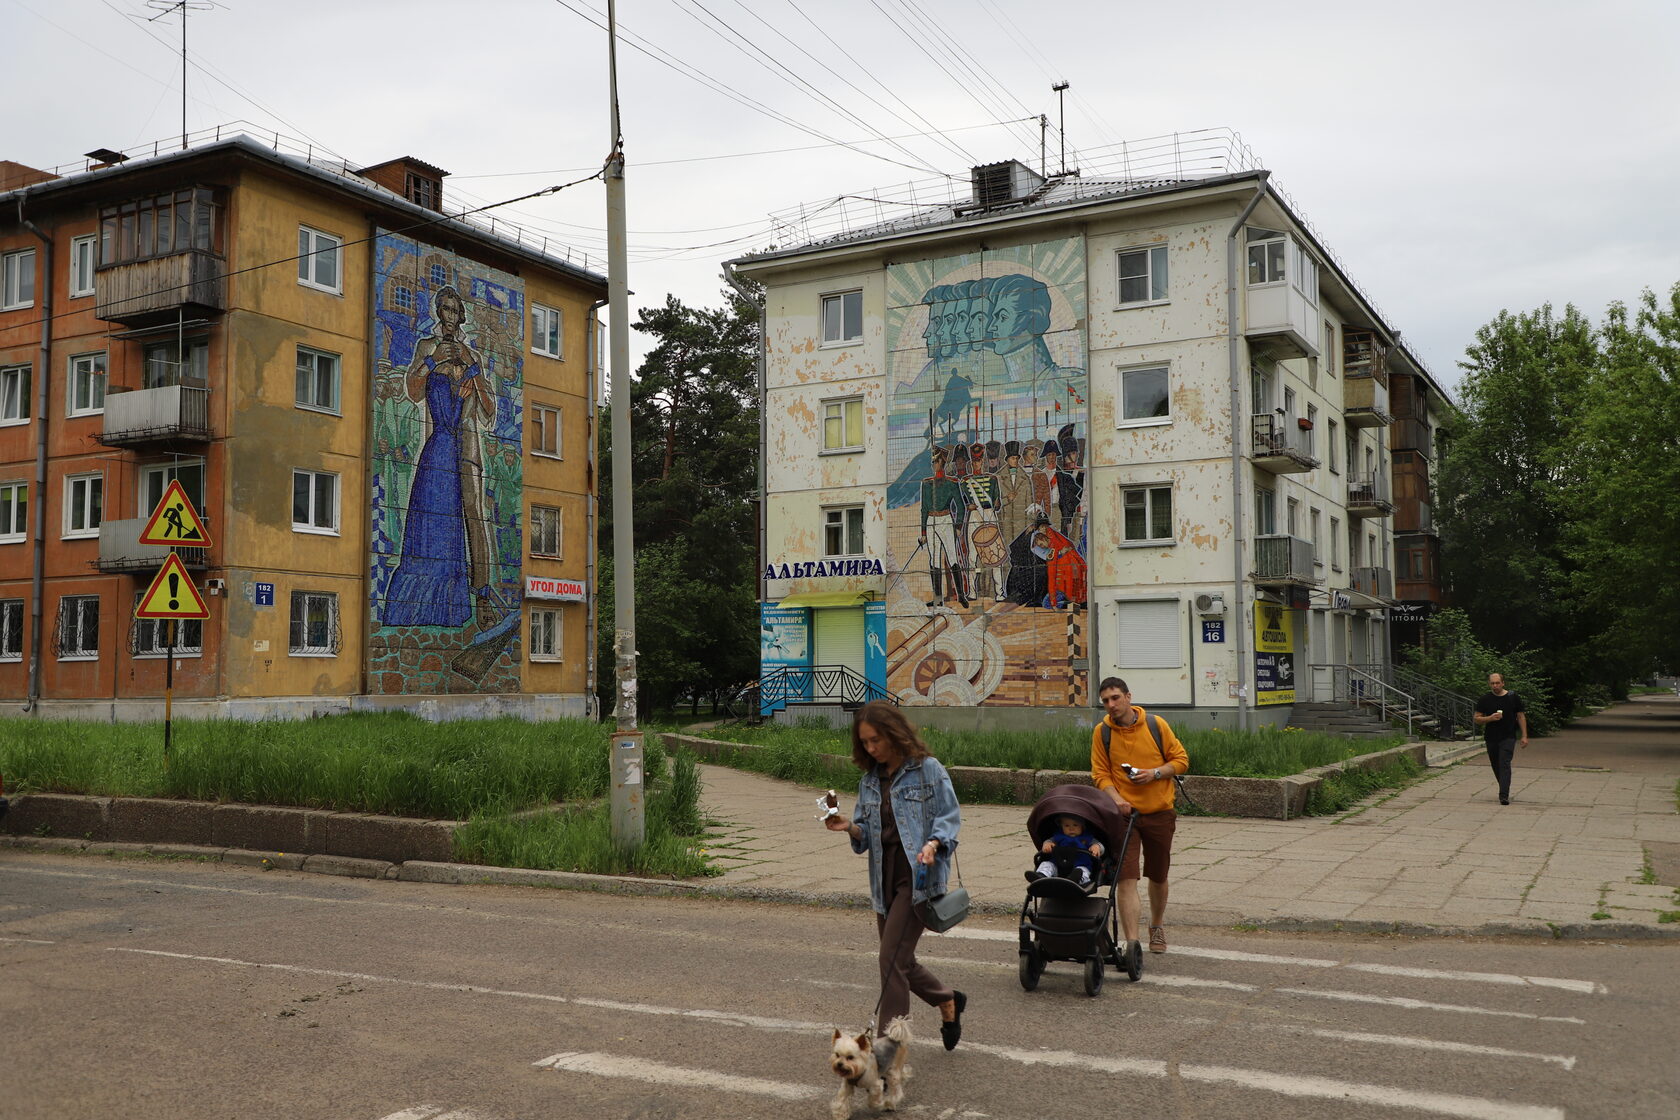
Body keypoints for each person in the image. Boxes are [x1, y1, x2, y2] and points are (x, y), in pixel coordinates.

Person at [825, 700, 968, 1050]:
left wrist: (934, 844)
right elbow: (866, 836)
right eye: (865, 743)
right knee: (900, 961)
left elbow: (949, 816)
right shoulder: (869, 781)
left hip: (917, 878)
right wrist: (849, 827)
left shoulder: (928, 770)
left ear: (894, 733)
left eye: (876, 740)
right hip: (883, 879)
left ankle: (888, 1047)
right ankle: (947, 999)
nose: (871, 748)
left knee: (890, 960)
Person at [1090, 676, 1188, 955]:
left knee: (1158, 875)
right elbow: (1100, 774)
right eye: (1106, 701)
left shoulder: (1156, 725)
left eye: (1115, 698)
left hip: (1159, 812)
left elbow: (1181, 761)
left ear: (1128, 697)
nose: (1111, 705)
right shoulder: (1102, 732)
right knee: (1126, 877)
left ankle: (1156, 925)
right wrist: (1117, 800)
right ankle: (1132, 944)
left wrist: (1155, 773)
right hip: (1123, 815)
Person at [1473, 671, 1529, 805]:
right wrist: (1490, 718)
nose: (1495, 686)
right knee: (1496, 765)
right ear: (1489, 684)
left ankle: (1503, 795)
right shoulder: (1485, 699)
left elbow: (1521, 716)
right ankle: (1504, 786)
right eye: (1492, 683)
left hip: (1508, 736)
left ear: (1503, 683)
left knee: (1504, 764)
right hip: (1491, 737)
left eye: (1497, 683)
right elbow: (1476, 718)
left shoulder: (1512, 697)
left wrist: (1524, 736)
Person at [1029, 813, 1104, 887]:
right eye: (1067, 825)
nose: (1071, 828)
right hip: (1058, 865)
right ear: (1061, 827)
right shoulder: (1058, 837)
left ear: (1082, 826)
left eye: (1075, 825)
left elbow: (1101, 847)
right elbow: (1049, 841)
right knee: (1047, 864)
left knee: (1082, 871)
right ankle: (1041, 875)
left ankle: (1076, 880)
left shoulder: (1088, 838)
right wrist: (1047, 844)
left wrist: (1097, 847)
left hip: (1080, 865)